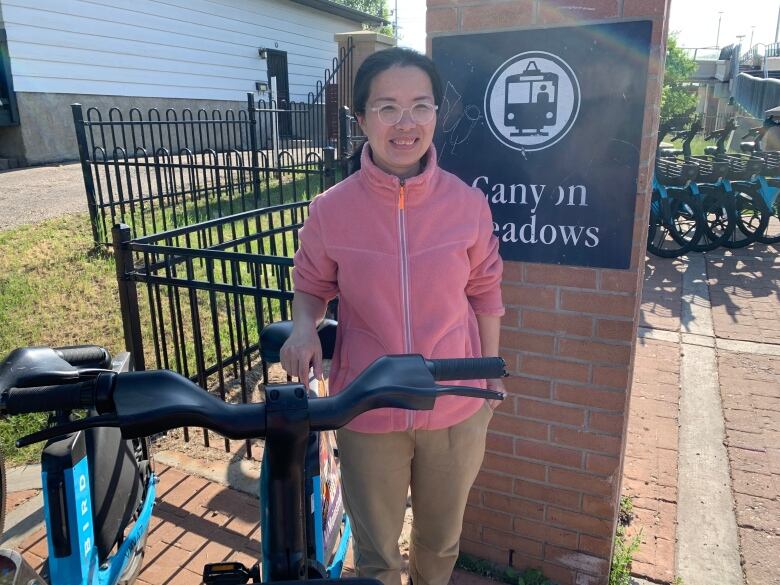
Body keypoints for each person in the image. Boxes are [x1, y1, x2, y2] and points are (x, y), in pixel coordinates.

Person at [280, 47, 505, 585]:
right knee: (377, 551)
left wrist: (490, 369)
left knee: (440, 542)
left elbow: (485, 288)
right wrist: (304, 325)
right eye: (387, 108)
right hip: (367, 404)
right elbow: (311, 286)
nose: (405, 123)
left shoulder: (467, 204)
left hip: (455, 400)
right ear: (361, 118)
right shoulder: (331, 209)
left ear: (435, 115)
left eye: (420, 106)